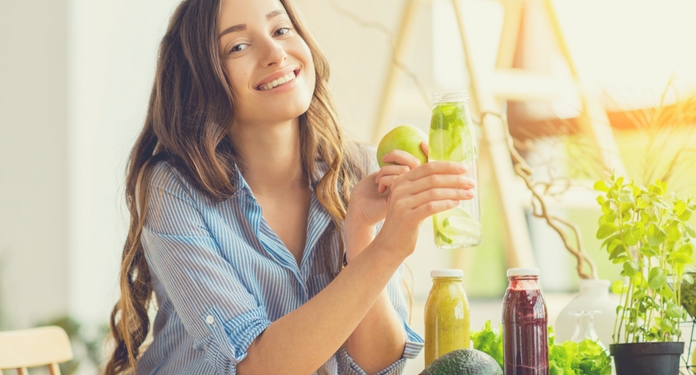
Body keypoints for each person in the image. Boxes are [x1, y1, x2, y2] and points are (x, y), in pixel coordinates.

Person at [103, 0, 475, 374]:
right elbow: (254, 367)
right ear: (200, 78)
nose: (275, 52)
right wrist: (388, 249)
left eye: (281, 30)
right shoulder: (175, 190)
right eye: (238, 47)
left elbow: (378, 365)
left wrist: (362, 236)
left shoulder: (355, 172)